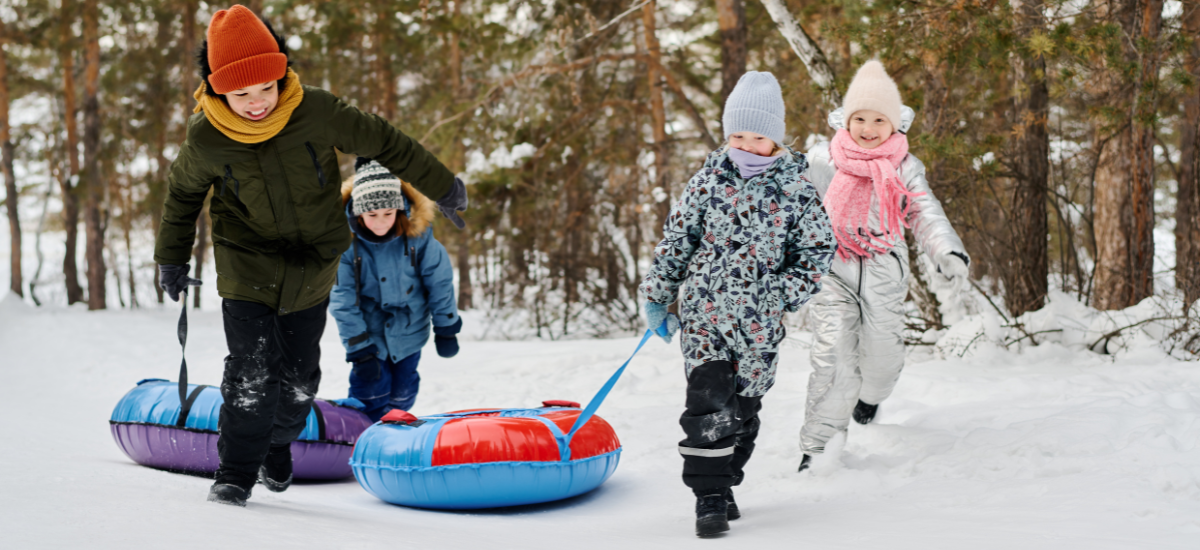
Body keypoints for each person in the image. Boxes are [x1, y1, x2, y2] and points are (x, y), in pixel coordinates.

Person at [153, 5, 467, 507]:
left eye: (266, 88)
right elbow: (182, 195)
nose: (257, 102)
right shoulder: (207, 136)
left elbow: (385, 141)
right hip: (247, 260)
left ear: (281, 75)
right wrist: (172, 258)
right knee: (251, 372)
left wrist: (443, 186)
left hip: (313, 262)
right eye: (241, 94)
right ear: (217, 90)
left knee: (300, 379)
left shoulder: (315, 110)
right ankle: (234, 475)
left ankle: (278, 443)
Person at [639, 72, 836, 537]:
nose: (746, 146)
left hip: (759, 329)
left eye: (757, 137)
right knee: (708, 406)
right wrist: (658, 296)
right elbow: (678, 241)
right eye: (737, 136)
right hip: (704, 319)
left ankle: (726, 480)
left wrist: (778, 293)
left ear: (776, 139)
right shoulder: (707, 181)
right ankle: (708, 496)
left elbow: (815, 253)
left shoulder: (797, 190)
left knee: (743, 412)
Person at [798, 60, 970, 472]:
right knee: (834, 357)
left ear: (894, 125)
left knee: (882, 358)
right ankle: (819, 448)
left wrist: (946, 250)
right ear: (846, 120)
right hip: (832, 268)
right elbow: (793, 207)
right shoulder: (821, 159)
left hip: (883, 271)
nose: (868, 128)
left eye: (879, 120)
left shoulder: (904, 167)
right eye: (860, 118)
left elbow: (924, 211)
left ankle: (871, 396)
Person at [329, 158, 461, 422]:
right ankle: (360, 431)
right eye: (371, 215)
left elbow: (439, 281)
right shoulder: (344, 243)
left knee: (403, 392)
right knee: (370, 393)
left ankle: (395, 429)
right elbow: (342, 297)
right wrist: (358, 347)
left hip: (410, 329)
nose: (380, 223)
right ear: (357, 213)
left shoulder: (419, 237)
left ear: (400, 210)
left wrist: (446, 326)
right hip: (368, 333)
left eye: (388, 214)